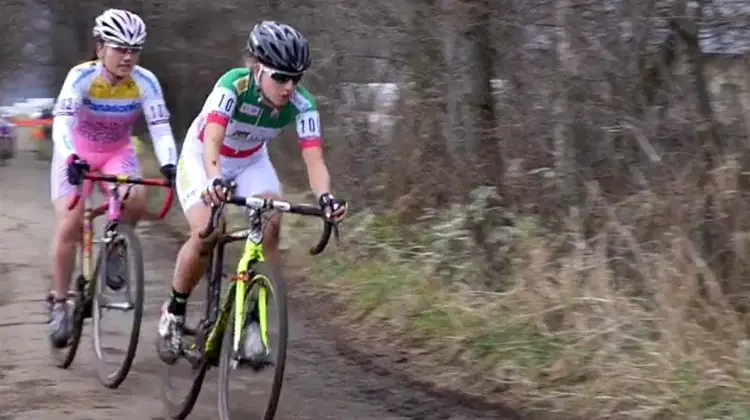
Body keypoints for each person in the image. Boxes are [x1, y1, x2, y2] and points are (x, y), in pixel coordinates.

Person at [156, 21, 347, 365]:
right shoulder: (233, 85)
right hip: (204, 157)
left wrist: (325, 198)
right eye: (281, 77)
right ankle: (174, 310)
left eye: (296, 78)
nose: (289, 87)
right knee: (207, 233)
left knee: (271, 221)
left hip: (250, 161)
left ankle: (252, 324)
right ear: (258, 68)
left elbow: (314, 159)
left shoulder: (303, 104)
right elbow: (212, 138)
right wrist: (214, 180)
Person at [49, 8, 178, 348]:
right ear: (100, 47)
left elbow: (160, 128)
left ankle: (116, 248)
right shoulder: (81, 77)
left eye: (134, 50)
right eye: (120, 48)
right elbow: (62, 124)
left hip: (117, 153)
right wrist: (71, 157)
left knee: (135, 197)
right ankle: (59, 302)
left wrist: (169, 165)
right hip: (77, 151)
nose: (127, 56)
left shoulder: (145, 81)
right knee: (71, 224)